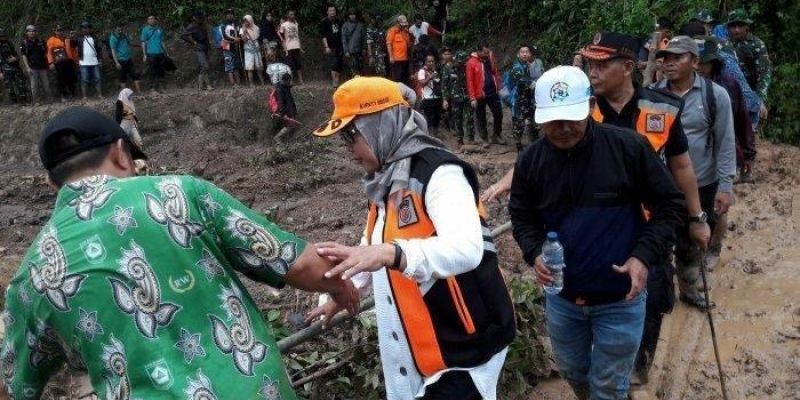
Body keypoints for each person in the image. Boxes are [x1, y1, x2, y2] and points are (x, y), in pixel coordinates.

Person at [0, 106, 359, 400]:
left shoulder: (31, 275)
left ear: (51, 183)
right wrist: (340, 287)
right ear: (122, 155)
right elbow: (298, 264)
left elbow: (13, 383)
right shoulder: (180, 194)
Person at [309, 76, 515, 400]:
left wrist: (393, 254)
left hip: (462, 346)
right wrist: (344, 287)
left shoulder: (439, 173)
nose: (348, 149)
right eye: (343, 138)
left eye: (351, 134)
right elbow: (373, 244)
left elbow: (466, 248)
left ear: (381, 125)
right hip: (421, 346)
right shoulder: (385, 179)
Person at [509, 65, 686, 400]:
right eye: (552, 121)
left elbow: (670, 207)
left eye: (571, 119)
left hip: (620, 298)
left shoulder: (628, 148)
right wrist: (533, 252)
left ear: (589, 106)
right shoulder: (531, 161)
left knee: (609, 384)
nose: (562, 129)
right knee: (573, 369)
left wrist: (642, 257)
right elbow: (521, 216)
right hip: (562, 299)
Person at [652, 36, 736, 310]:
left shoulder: (715, 96)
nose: (669, 63)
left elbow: (725, 142)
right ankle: (660, 296)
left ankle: (689, 289)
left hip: (701, 182)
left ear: (696, 62)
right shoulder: (652, 95)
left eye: (678, 57)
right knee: (659, 241)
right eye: (665, 57)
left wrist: (725, 186)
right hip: (661, 186)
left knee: (692, 240)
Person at [726, 8, 771, 130]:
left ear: (747, 26)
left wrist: (760, 98)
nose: (736, 30)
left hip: (751, 93)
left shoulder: (756, 45)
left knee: (748, 131)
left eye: (740, 26)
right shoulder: (725, 44)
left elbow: (764, 73)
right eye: (733, 26)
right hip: (730, 93)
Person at [503, 44, 543, 151]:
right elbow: (522, 81)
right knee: (518, 123)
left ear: (530, 54)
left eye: (527, 52)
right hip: (518, 101)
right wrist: (536, 84)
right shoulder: (516, 68)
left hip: (528, 100)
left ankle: (535, 144)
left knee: (533, 122)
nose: (525, 54)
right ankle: (519, 146)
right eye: (522, 52)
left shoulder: (528, 66)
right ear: (518, 54)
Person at [466, 43, 503, 144]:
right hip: (480, 94)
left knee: (498, 113)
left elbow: (495, 72)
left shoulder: (490, 57)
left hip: (492, 91)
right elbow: (470, 81)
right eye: (485, 52)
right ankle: (484, 138)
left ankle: (497, 134)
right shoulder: (471, 62)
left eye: (488, 52)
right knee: (481, 116)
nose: (487, 54)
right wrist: (472, 97)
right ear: (478, 51)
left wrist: (499, 87)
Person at [442, 51, 475, 147]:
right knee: (458, 119)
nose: (461, 64)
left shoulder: (468, 68)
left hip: (468, 96)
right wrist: (445, 99)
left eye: (464, 62)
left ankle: (471, 138)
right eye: (460, 62)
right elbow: (444, 85)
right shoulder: (448, 68)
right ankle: (460, 140)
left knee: (470, 117)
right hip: (455, 97)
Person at [181, 12, 213, 91]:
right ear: (194, 18)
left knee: (204, 66)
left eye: (200, 17)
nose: (200, 18)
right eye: (198, 17)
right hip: (199, 48)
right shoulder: (192, 26)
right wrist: (193, 42)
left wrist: (209, 47)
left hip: (205, 47)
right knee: (205, 66)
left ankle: (202, 86)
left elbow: (206, 37)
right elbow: (183, 35)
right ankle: (206, 85)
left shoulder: (203, 25)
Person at [19, 24, 51, 105]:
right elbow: (24, 56)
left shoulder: (40, 41)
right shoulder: (24, 43)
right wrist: (27, 67)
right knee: (34, 86)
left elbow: (46, 53)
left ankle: (49, 99)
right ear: (27, 33)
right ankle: (37, 101)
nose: (32, 32)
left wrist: (49, 64)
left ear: (36, 32)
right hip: (32, 67)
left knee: (46, 84)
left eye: (33, 31)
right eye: (30, 31)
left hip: (42, 66)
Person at [109, 22, 143, 93]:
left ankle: (139, 92)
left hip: (128, 59)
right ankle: (125, 94)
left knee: (135, 74)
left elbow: (129, 43)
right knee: (122, 78)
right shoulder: (113, 38)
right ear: (115, 28)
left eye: (121, 28)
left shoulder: (124, 35)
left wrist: (139, 45)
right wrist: (117, 62)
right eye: (119, 28)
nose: (120, 30)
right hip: (120, 60)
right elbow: (113, 50)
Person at [46, 25, 78, 101]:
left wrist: (75, 60)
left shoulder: (67, 39)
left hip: (68, 62)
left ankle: (72, 94)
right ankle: (62, 95)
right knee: (61, 79)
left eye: (61, 30)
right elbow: (49, 52)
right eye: (58, 30)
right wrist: (51, 63)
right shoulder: (51, 40)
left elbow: (73, 50)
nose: (59, 32)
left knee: (71, 78)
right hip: (59, 63)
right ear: (55, 31)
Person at [416, 54, 443, 137]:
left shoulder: (436, 71)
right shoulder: (422, 71)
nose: (431, 63)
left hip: (437, 97)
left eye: (432, 61)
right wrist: (430, 77)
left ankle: (436, 133)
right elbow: (422, 83)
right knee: (429, 118)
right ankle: (430, 135)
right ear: (425, 62)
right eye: (429, 61)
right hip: (427, 98)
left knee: (437, 117)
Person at [141, 16, 169, 91]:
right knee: (152, 70)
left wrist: (166, 52)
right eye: (150, 19)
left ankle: (161, 87)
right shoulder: (145, 30)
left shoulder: (159, 29)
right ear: (147, 21)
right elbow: (143, 42)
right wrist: (144, 54)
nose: (151, 20)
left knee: (161, 70)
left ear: (155, 20)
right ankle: (152, 87)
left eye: (153, 19)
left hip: (160, 52)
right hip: (151, 53)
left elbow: (162, 41)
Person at [0, 28, 28, 104]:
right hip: (5, 68)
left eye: (4, 35)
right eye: (2, 36)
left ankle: (23, 99)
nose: (3, 37)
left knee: (21, 83)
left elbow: (15, 53)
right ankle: (14, 100)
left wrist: (15, 58)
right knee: (10, 86)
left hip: (15, 66)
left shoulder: (9, 43)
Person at [320, 5, 344, 88]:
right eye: (330, 10)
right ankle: (334, 81)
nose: (332, 12)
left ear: (335, 12)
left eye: (333, 10)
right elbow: (323, 36)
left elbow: (342, 34)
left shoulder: (339, 21)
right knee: (334, 63)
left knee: (339, 63)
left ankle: (337, 79)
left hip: (340, 45)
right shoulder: (324, 22)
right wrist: (326, 47)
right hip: (330, 46)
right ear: (327, 12)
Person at [271, 69, 298, 143]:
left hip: (289, 109)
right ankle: (277, 138)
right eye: (290, 81)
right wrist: (283, 114)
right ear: (287, 80)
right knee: (291, 125)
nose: (290, 82)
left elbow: (288, 88)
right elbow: (281, 103)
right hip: (286, 111)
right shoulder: (280, 90)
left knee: (292, 125)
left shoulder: (284, 86)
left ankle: (288, 139)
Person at [386, 15, 413, 86]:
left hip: (405, 59)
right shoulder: (392, 31)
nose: (403, 26)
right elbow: (389, 44)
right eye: (402, 25)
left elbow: (409, 44)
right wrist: (391, 57)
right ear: (398, 23)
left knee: (405, 78)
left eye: (405, 25)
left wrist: (410, 34)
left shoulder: (406, 32)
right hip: (396, 59)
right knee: (398, 78)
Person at [278, 10, 304, 85]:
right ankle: (290, 81)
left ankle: (301, 80)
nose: (292, 16)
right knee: (290, 65)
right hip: (289, 47)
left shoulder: (296, 24)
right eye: (291, 14)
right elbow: (281, 37)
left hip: (296, 46)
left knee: (298, 64)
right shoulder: (284, 25)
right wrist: (285, 48)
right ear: (287, 16)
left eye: (293, 14)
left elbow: (298, 36)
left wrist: (300, 47)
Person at [241, 15, 266, 86]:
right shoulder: (242, 29)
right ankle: (251, 84)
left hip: (256, 48)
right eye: (245, 21)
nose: (246, 23)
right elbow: (244, 40)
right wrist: (244, 31)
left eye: (247, 21)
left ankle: (262, 82)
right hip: (248, 50)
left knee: (259, 66)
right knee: (249, 67)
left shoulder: (256, 28)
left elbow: (258, 37)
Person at [341, 9, 366, 77]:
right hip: (351, 51)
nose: (352, 16)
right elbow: (344, 39)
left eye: (353, 14)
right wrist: (346, 51)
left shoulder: (361, 25)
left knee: (360, 68)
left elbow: (364, 38)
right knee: (353, 69)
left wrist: (364, 48)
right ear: (348, 16)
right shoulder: (345, 26)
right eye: (351, 14)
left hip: (360, 51)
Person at [221, 9, 242, 86]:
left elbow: (240, 32)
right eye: (228, 14)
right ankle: (233, 83)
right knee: (229, 64)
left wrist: (240, 37)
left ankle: (238, 82)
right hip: (227, 46)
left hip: (236, 46)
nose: (230, 15)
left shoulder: (236, 24)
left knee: (236, 64)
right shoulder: (223, 25)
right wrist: (234, 39)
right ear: (225, 16)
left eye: (231, 14)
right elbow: (224, 36)